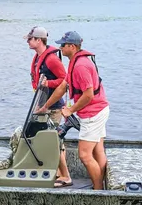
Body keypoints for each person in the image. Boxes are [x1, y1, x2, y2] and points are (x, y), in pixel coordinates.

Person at [40, 31, 109, 190]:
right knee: (98, 150)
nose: (60, 48)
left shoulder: (81, 66)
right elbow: (62, 87)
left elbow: (89, 95)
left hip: (93, 113)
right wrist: (45, 106)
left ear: (72, 46)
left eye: (63, 45)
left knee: (85, 155)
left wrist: (71, 111)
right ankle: (100, 187)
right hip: (99, 110)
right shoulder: (74, 62)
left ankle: (98, 191)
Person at [24, 26, 72, 187]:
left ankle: (66, 176)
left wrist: (49, 83)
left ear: (39, 40)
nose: (27, 41)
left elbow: (65, 80)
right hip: (43, 104)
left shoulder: (51, 59)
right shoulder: (38, 57)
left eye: (30, 39)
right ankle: (57, 172)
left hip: (54, 107)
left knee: (53, 141)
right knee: (54, 141)